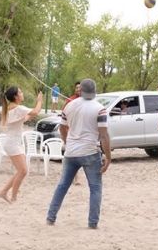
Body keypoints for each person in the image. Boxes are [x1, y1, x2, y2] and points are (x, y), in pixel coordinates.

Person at [47, 79, 111, 229]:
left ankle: (51, 217)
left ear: (80, 90)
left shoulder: (69, 105)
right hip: (90, 152)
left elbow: (62, 129)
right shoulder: (100, 108)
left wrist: (67, 142)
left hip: (71, 152)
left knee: (62, 185)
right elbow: (104, 135)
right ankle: (92, 223)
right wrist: (108, 157)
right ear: (95, 91)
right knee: (95, 188)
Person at [0, 86, 43, 203]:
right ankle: (13, 196)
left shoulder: (12, 108)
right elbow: (36, 111)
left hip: (14, 143)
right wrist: (39, 101)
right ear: (15, 96)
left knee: (21, 171)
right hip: (13, 143)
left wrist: (32, 113)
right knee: (23, 171)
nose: (22, 94)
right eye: (20, 92)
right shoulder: (17, 108)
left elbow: (26, 117)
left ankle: (4, 192)